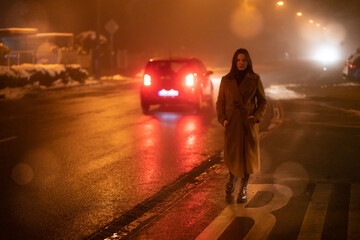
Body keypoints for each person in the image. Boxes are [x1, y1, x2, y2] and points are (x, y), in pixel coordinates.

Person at [216, 48, 267, 203]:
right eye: (238, 60)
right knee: (233, 155)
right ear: (234, 62)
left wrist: (256, 117)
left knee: (247, 158)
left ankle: (243, 187)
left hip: (247, 123)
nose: (241, 63)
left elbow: (262, 101)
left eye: (244, 60)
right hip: (232, 124)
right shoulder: (226, 80)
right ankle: (232, 179)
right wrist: (223, 119)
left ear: (248, 62)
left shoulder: (255, 79)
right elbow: (220, 102)